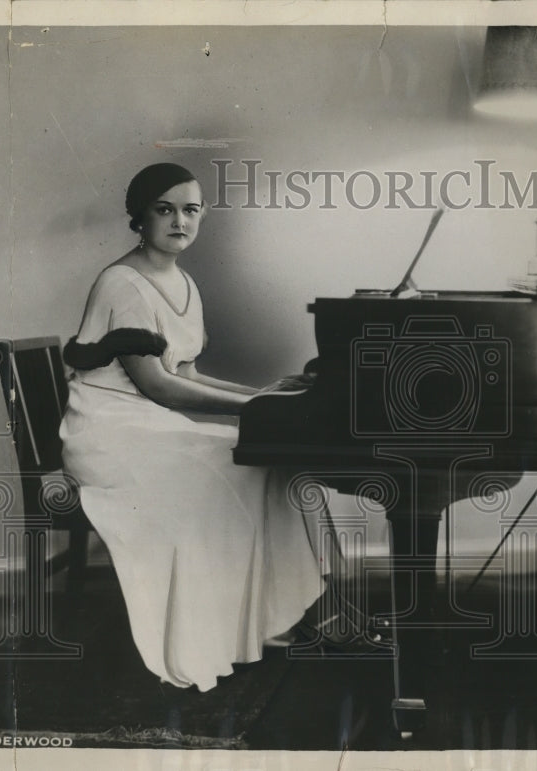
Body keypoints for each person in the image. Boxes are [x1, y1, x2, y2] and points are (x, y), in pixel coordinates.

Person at [59, 162, 355, 693]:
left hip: (149, 424)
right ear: (140, 217)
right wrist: (260, 410)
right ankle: (253, 625)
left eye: (190, 210)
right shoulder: (123, 283)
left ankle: (273, 620)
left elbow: (188, 374)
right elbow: (162, 388)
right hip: (107, 433)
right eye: (165, 210)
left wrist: (263, 397)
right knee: (242, 463)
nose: (180, 221)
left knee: (268, 463)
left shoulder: (185, 283)